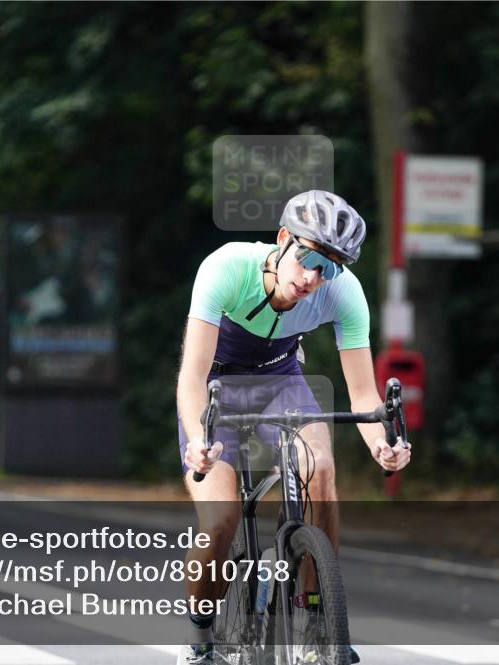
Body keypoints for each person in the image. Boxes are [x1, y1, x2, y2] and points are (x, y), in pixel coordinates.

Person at [176, 190, 411, 664]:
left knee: (321, 472)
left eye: (330, 269)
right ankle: (200, 637)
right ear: (283, 240)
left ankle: (316, 621)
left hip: (281, 381)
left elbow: (364, 397)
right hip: (217, 387)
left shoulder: (345, 294)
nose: (313, 278)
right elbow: (192, 377)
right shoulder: (226, 268)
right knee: (219, 523)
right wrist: (199, 439)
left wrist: (382, 445)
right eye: (307, 259)